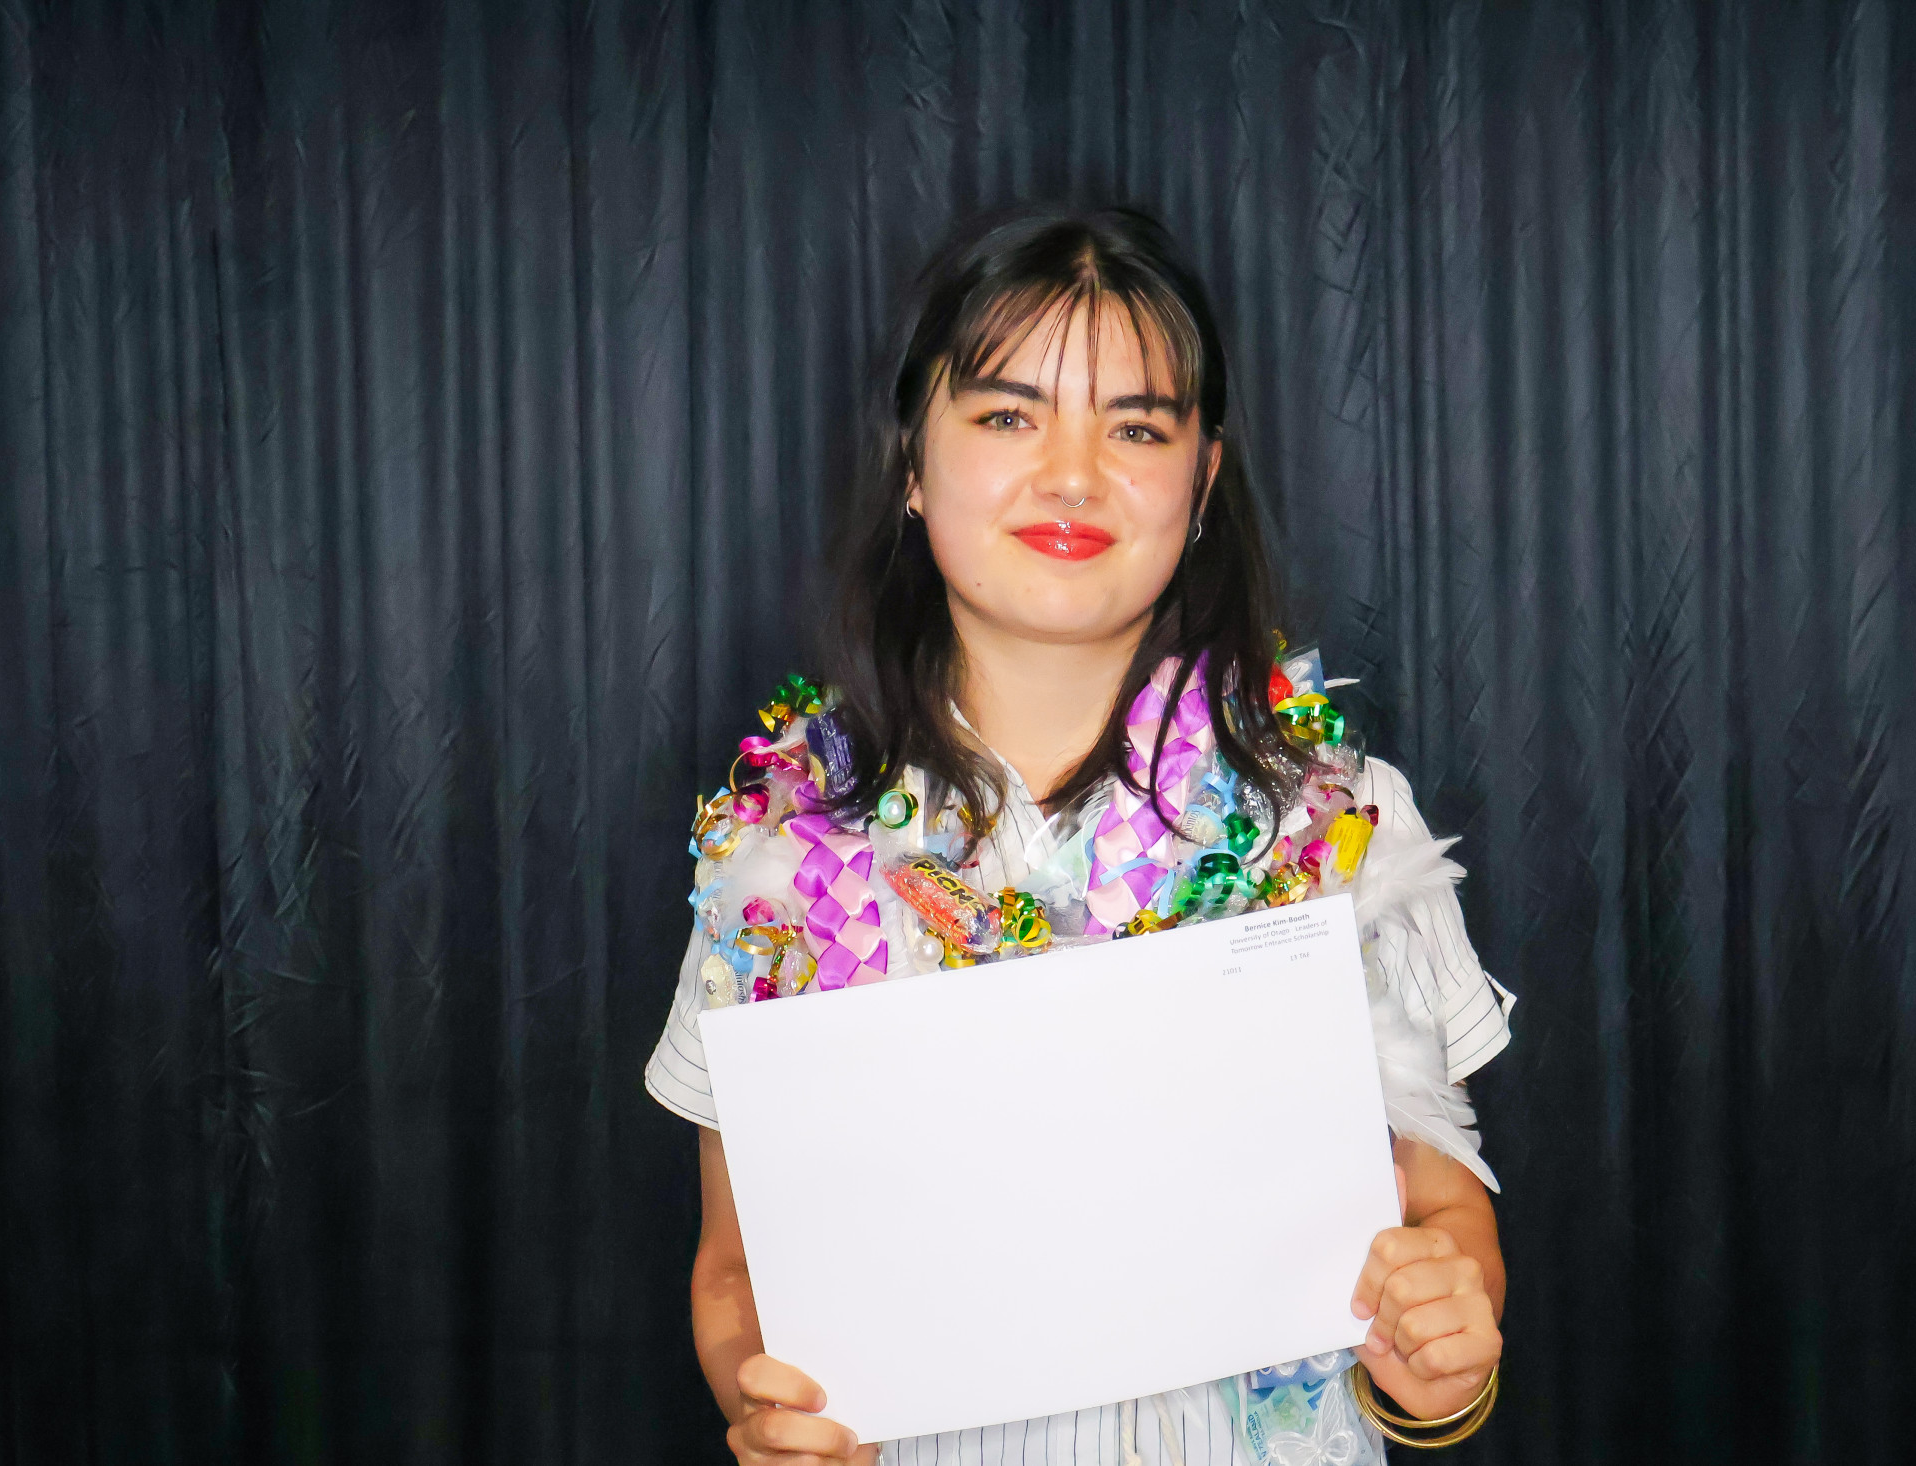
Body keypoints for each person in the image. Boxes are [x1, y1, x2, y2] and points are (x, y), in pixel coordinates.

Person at [645, 205, 1515, 1466]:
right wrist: (760, 1403)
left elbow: (1442, 1211)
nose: (1071, 474)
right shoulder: (777, 854)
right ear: (911, 459)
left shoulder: (1339, 821)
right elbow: (735, 1265)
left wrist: (1436, 1361)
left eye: (1136, 427)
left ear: (1202, 479)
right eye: (1009, 416)